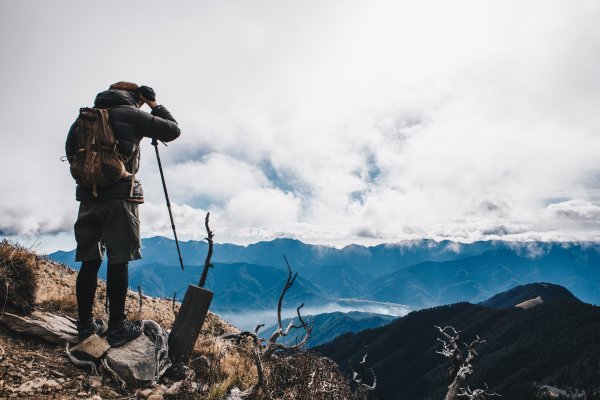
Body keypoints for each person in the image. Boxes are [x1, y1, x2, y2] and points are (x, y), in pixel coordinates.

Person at [65, 82, 181, 347]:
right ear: (135, 96)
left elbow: (71, 152)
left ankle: (85, 325)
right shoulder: (131, 113)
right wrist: (154, 104)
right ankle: (117, 326)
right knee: (119, 259)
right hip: (121, 197)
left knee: (89, 260)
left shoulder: (85, 118)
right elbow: (173, 130)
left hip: (88, 197)